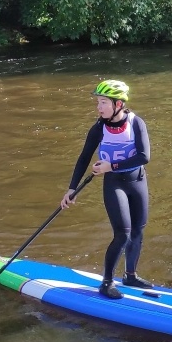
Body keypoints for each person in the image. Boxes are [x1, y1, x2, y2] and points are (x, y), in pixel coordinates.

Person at [61, 80, 152, 299]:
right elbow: (84, 158)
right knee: (122, 234)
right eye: (98, 102)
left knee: (138, 231)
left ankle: (130, 276)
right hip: (114, 184)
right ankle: (107, 282)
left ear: (118, 104)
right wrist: (72, 189)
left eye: (103, 102)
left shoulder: (136, 123)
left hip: (137, 181)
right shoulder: (98, 128)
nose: (99, 107)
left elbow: (144, 157)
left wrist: (111, 165)